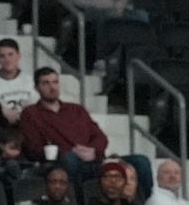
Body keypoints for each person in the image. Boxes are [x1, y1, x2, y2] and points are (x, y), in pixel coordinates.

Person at [19, 68, 151, 199]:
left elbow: (100, 137)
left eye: (55, 82)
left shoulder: (77, 110)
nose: (52, 87)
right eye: (46, 83)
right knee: (70, 159)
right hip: (62, 162)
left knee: (141, 161)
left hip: (94, 160)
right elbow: (33, 149)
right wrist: (72, 151)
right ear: (37, 88)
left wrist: (93, 150)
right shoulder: (31, 113)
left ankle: (144, 202)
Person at [0, 39, 39, 124]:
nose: (7, 59)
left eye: (10, 54)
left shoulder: (32, 81)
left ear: (19, 55)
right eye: (2, 56)